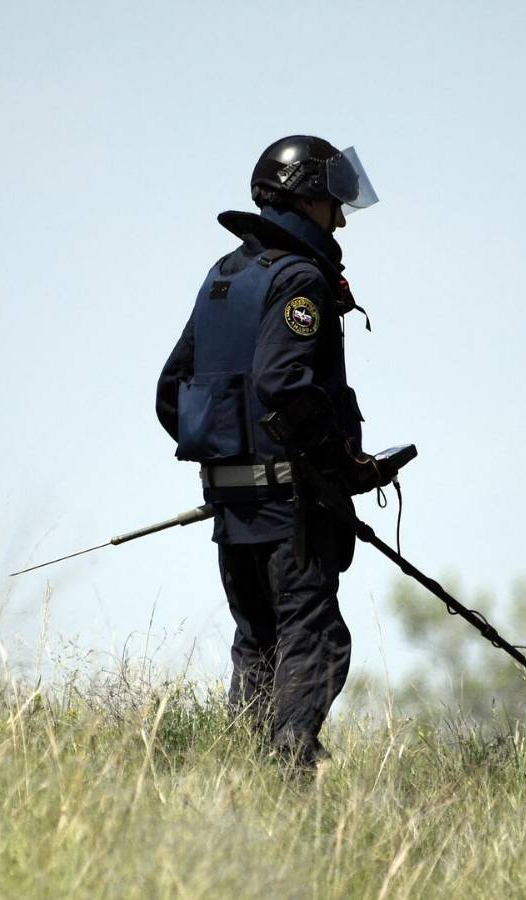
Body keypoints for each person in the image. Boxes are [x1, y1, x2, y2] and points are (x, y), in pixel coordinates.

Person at [155, 135, 384, 770]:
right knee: (315, 638)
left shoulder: (223, 277)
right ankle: (290, 769)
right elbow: (282, 384)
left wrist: (229, 466)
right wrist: (336, 462)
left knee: (257, 642)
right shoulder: (300, 280)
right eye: (332, 203)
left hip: (233, 506)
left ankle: (246, 772)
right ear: (304, 199)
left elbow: (171, 394)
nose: (340, 218)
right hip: (290, 506)